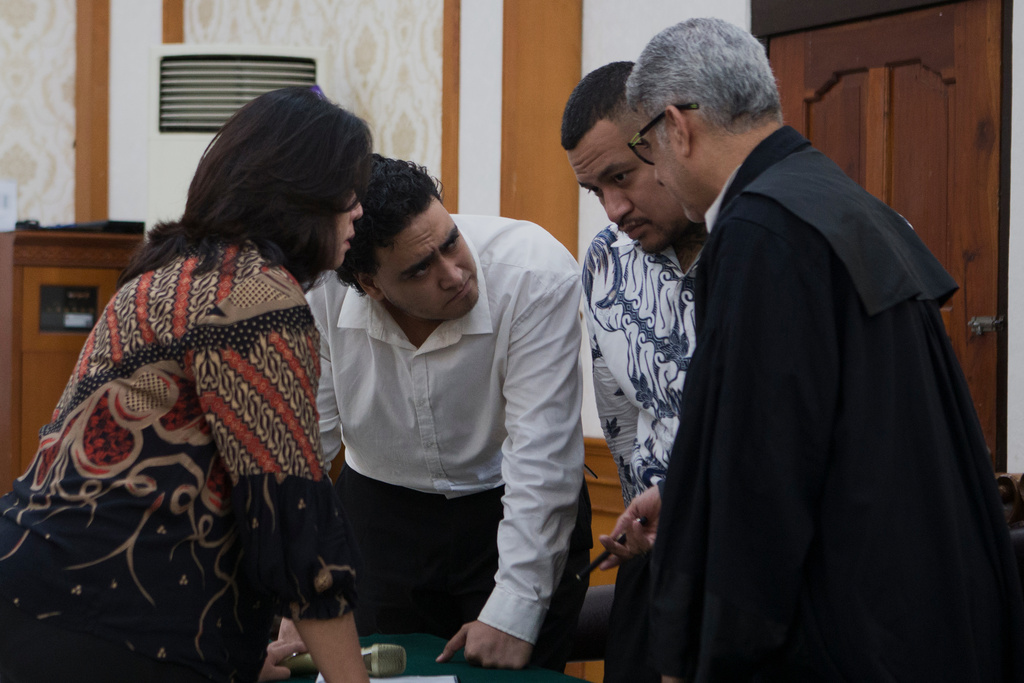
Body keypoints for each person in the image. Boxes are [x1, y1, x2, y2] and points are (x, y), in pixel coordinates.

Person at [604, 17, 1024, 682]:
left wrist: (700, 656)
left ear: (677, 129)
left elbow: (762, 475)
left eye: (647, 148)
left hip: (848, 631)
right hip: (931, 607)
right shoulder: (838, 201)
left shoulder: (760, 233)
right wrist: (689, 498)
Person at [0, 87, 373, 683]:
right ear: (303, 192)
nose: (359, 210)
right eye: (349, 191)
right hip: (118, 627)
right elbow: (291, 517)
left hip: (28, 592)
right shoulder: (258, 294)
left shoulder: (159, 276)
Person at [298, 155, 592, 671]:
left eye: (451, 242)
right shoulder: (319, 290)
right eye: (419, 269)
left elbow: (542, 456)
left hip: (511, 506)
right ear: (369, 284)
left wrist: (515, 609)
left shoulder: (533, 273)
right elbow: (306, 451)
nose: (454, 273)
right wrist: (294, 588)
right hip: (379, 519)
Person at [560, 61, 704, 683]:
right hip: (654, 557)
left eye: (622, 177)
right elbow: (620, 412)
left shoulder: (764, 244)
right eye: (596, 191)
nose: (614, 209)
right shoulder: (606, 261)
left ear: (669, 138)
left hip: (752, 552)